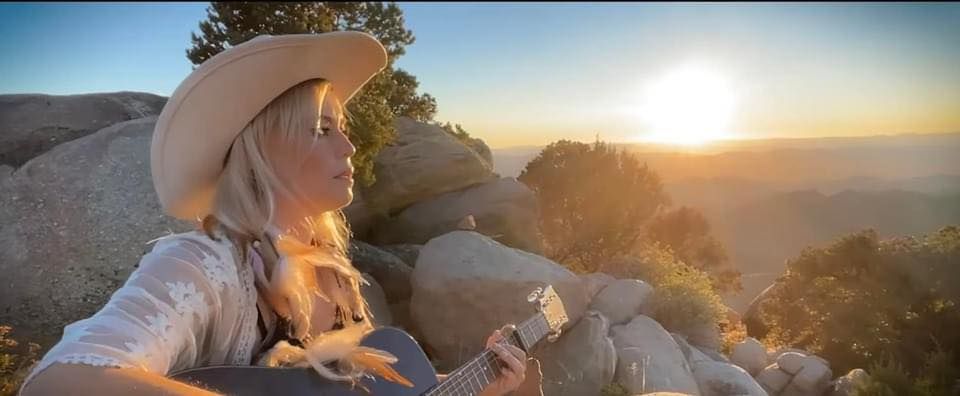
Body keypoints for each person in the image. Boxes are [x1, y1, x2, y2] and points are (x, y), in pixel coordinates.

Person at [20, 31, 540, 395]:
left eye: (343, 127)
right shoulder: (203, 266)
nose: (350, 147)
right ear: (262, 148)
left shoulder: (333, 273)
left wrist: (479, 385)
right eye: (323, 128)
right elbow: (58, 380)